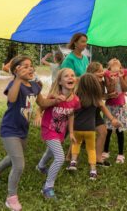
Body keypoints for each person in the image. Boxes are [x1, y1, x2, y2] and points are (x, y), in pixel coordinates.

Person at [0, 55, 44, 211]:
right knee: (19, 165)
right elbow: (12, 99)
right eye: (24, 66)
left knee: (15, 156)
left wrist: (57, 99)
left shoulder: (34, 86)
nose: (29, 68)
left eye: (30, 65)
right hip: (9, 129)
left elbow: (43, 103)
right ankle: (11, 198)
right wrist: (18, 80)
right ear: (15, 71)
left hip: (22, 130)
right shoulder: (14, 84)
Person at [36, 68, 80, 199]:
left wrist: (71, 132)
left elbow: (71, 115)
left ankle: (40, 166)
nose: (70, 78)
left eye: (72, 75)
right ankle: (47, 187)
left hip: (61, 131)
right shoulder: (53, 96)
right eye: (66, 76)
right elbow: (41, 107)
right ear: (60, 81)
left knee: (51, 151)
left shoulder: (76, 100)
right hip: (48, 129)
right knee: (60, 157)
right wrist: (38, 116)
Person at [67, 73, 104, 180]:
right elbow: (103, 108)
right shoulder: (96, 99)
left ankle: (73, 162)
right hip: (90, 130)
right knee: (91, 149)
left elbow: (70, 111)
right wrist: (112, 119)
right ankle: (93, 171)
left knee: (76, 144)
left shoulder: (75, 97)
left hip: (77, 128)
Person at [86, 62, 120, 167]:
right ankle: (70, 158)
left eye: (102, 70)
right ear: (91, 73)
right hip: (85, 113)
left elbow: (100, 97)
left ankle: (98, 158)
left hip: (95, 112)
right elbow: (100, 103)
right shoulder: (89, 84)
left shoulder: (100, 83)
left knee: (103, 132)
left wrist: (109, 95)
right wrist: (112, 118)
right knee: (80, 135)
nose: (102, 73)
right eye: (99, 71)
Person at [102, 59, 127, 164]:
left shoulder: (125, 73)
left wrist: (121, 77)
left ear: (121, 66)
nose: (116, 67)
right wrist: (112, 80)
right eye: (113, 65)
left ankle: (121, 154)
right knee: (107, 130)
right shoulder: (107, 74)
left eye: (118, 65)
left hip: (120, 106)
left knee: (119, 130)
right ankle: (105, 151)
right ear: (109, 68)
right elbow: (109, 90)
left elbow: (125, 89)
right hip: (109, 106)